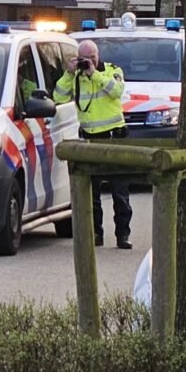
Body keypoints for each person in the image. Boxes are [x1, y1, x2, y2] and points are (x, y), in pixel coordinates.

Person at [53, 40, 132, 249]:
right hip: (89, 137)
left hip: (114, 137)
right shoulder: (76, 77)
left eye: (92, 57)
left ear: (98, 55)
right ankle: (96, 233)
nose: (88, 61)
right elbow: (58, 97)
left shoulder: (112, 70)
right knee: (93, 192)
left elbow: (116, 91)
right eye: (84, 58)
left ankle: (123, 235)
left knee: (119, 190)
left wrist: (93, 74)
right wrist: (69, 73)